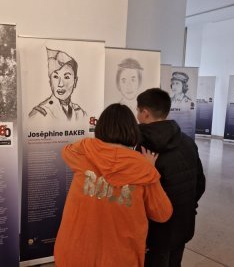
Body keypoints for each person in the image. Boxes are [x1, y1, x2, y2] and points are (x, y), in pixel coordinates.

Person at [54, 103, 172, 267]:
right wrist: (150, 170)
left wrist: (87, 143)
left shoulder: (83, 153)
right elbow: (162, 213)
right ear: (132, 130)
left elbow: (66, 150)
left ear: (101, 127)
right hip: (120, 258)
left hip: (73, 254)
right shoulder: (143, 169)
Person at [136, 88, 206, 267]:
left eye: (138, 111)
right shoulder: (188, 141)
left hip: (156, 231)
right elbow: (200, 184)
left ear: (145, 113)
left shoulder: (143, 148)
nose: (137, 115)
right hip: (184, 223)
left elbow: (140, 196)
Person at [29, 48, 86, 121]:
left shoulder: (80, 113)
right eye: (55, 77)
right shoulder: (39, 113)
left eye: (66, 77)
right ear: (50, 82)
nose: (60, 84)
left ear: (75, 82)